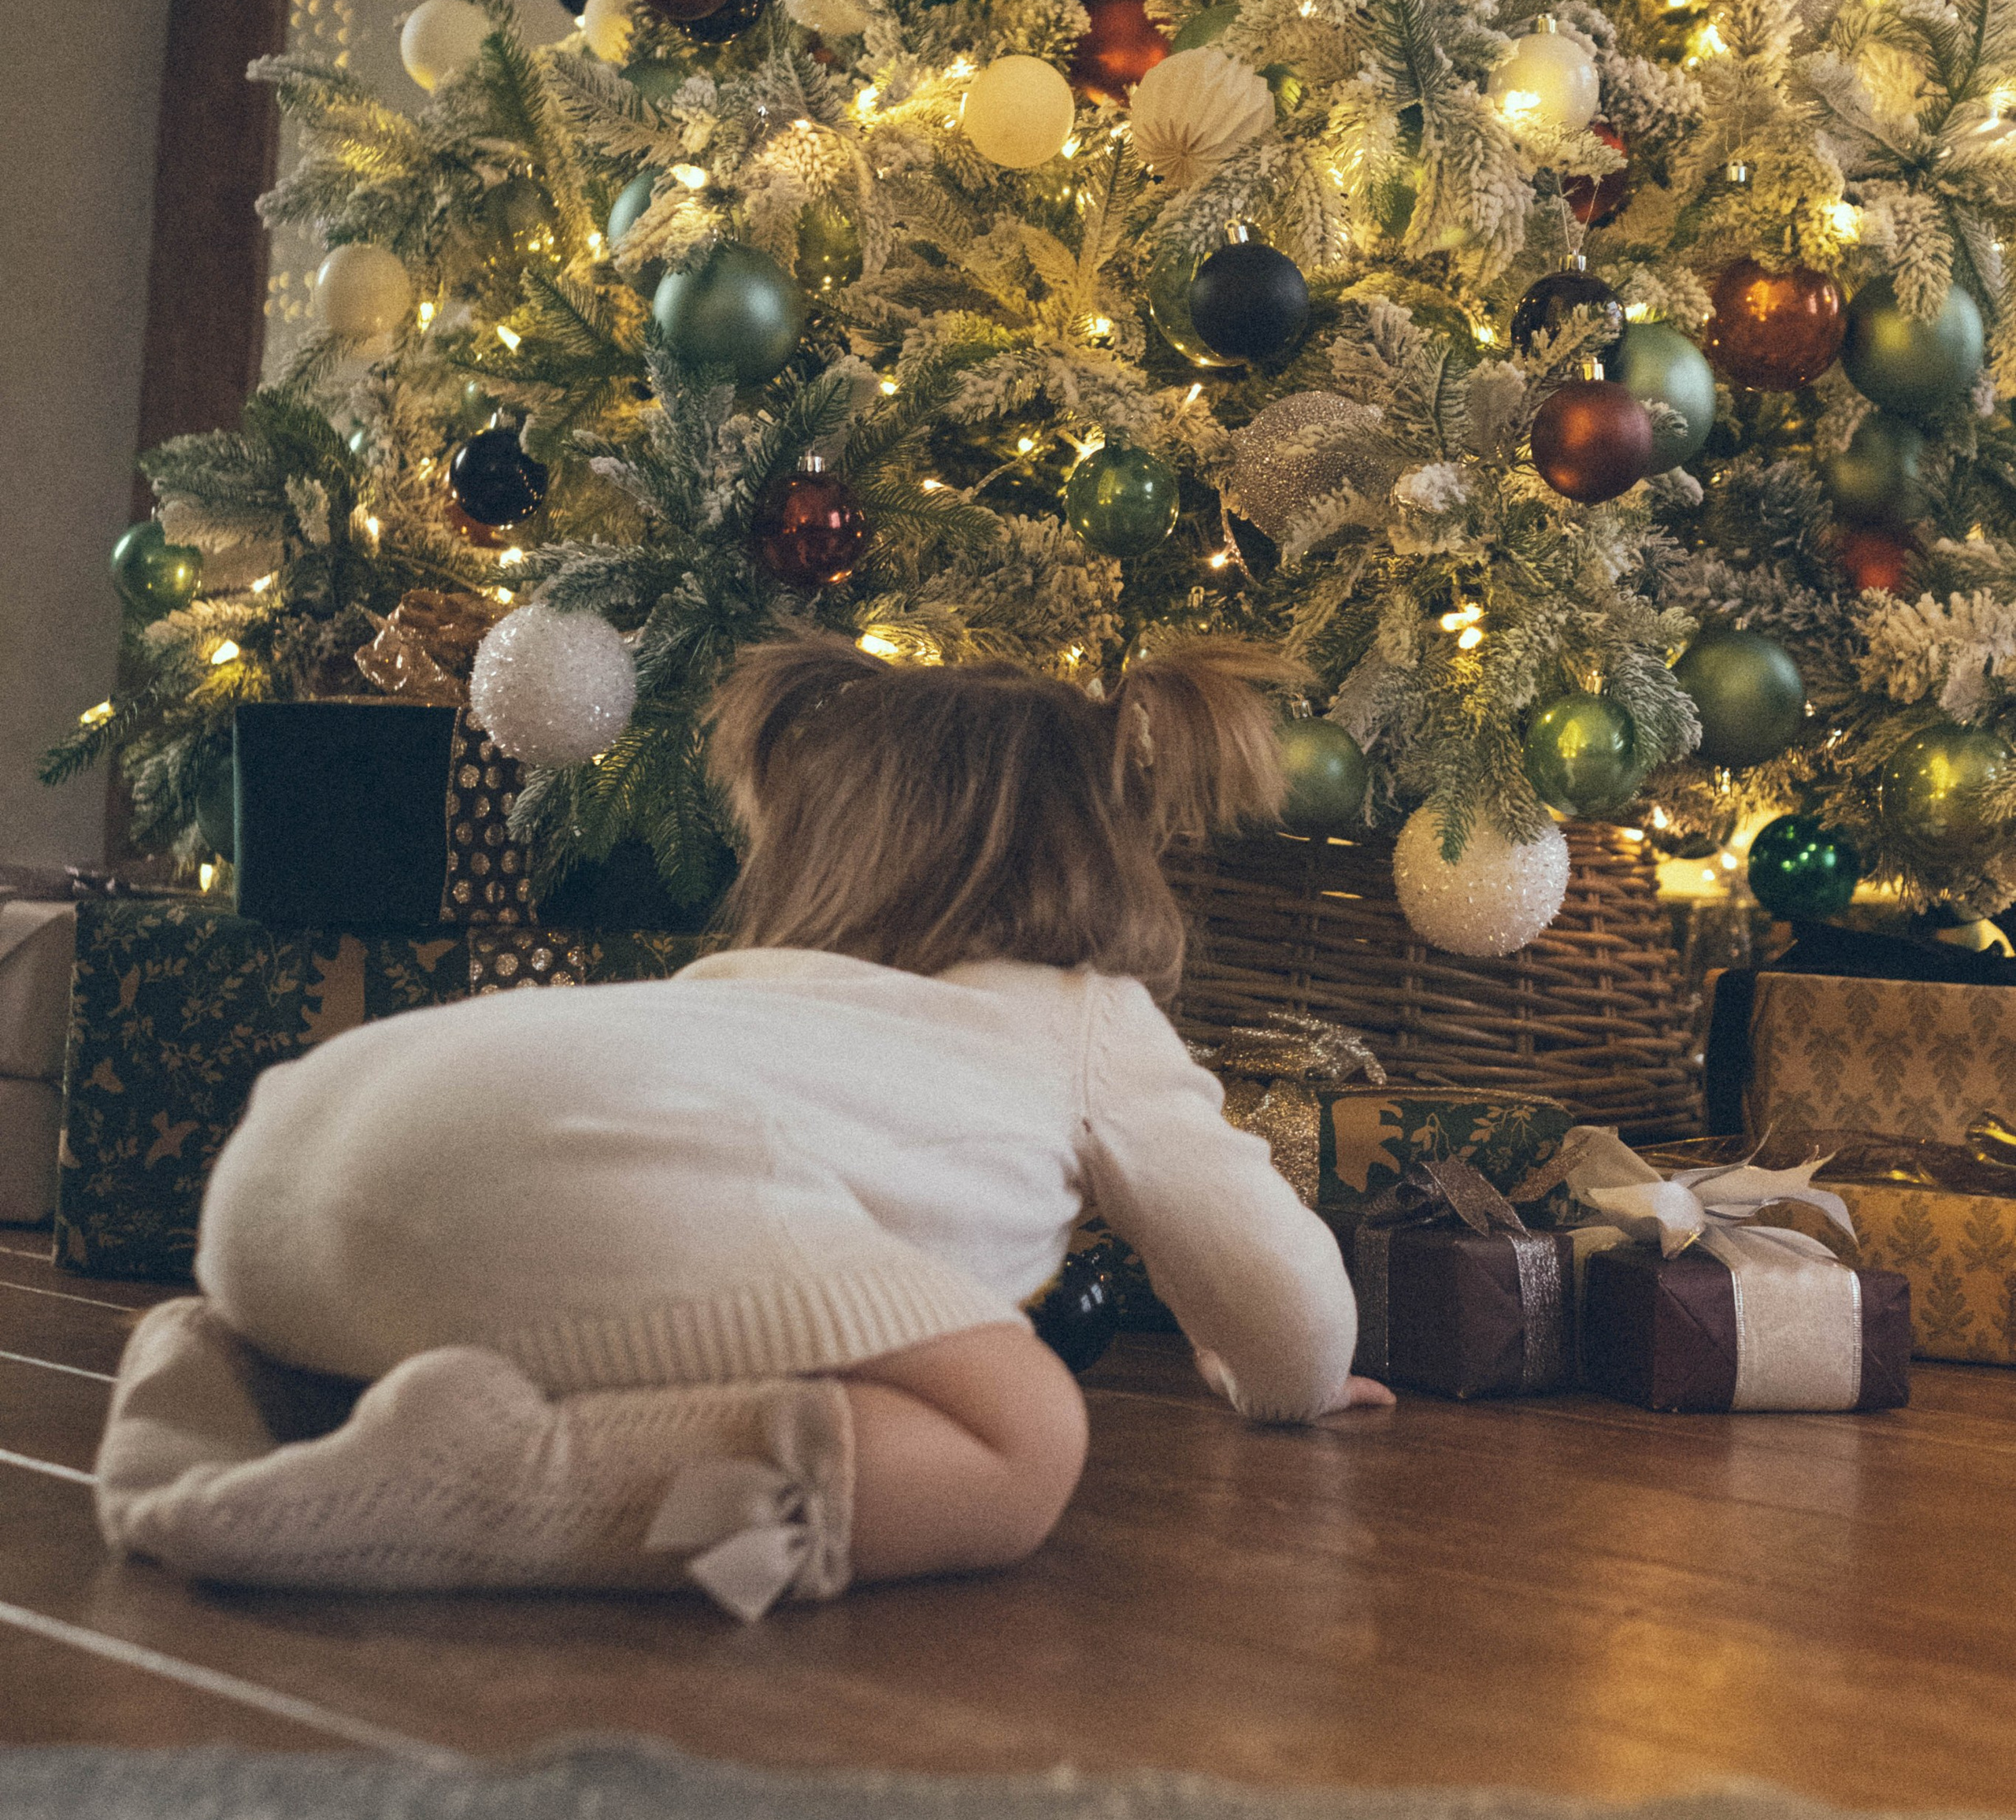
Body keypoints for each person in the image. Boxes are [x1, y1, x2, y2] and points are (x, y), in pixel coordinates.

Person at [96, 634, 1388, 1622]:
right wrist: (1292, 1379)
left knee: (584, 1298)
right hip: (591, 1183)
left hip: (281, 1172)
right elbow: (1283, 1296)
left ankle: (221, 1374)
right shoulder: (1089, 1017)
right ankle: (507, 1476)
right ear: (1113, 841)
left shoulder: (741, 1000)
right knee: (1026, 1429)